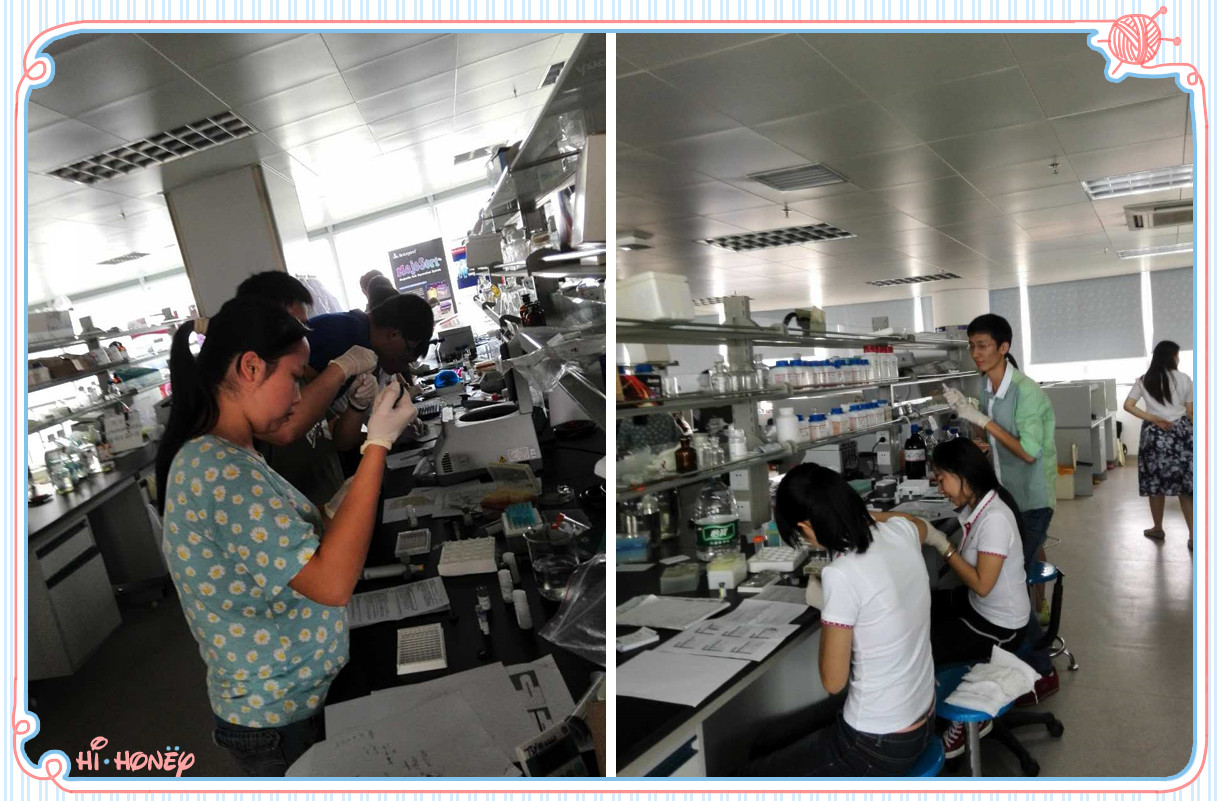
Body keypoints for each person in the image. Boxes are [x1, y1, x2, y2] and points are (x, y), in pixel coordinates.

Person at [155, 297, 418, 776]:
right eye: (295, 378)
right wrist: (377, 445)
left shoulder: (234, 453)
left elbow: (284, 543)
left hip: (298, 697)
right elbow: (331, 584)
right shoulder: (218, 468)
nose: (300, 397)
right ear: (251, 368)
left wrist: (339, 504)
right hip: (277, 718)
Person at [741, 464, 935, 777]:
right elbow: (916, 523)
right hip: (923, 720)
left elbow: (833, 682)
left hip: (876, 745)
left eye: (801, 535)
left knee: (751, 775)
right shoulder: (901, 532)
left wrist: (831, 612)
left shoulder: (842, 574)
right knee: (769, 741)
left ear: (806, 526)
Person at [945, 313, 1059, 700]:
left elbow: (1028, 452)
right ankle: (1014, 659)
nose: (975, 353)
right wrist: (972, 417)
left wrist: (981, 419)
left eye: (982, 346)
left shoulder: (1027, 392)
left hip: (1031, 500)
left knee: (1010, 588)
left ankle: (1041, 669)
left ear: (1004, 348)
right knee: (1009, 583)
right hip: (1004, 494)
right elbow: (994, 437)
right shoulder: (988, 385)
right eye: (971, 346)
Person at [233, 271, 380, 508]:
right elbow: (286, 430)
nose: (303, 335)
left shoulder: (299, 375)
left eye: (303, 325)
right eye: (294, 326)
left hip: (330, 510)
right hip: (296, 523)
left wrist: (357, 406)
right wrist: (341, 368)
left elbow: (340, 438)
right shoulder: (246, 387)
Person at [923, 439, 1032, 757]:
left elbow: (983, 585)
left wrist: (942, 544)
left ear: (962, 474)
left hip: (1001, 626)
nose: (941, 489)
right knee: (926, 607)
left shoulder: (995, 518)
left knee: (923, 645)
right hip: (980, 607)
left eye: (941, 479)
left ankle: (961, 719)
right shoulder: (981, 505)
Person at [1123, 340, 1194, 550]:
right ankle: (1193, 536)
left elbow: (1128, 405)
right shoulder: (1184, 379)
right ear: (1172, 356)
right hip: (1181, 434)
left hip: (1154, 436)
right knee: (1185, 487)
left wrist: (1153, 418)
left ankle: (1157, 528)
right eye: (1177, 355)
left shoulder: (1145, 379)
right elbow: (1190, 412)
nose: (1178, 358)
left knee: (1155, 483)